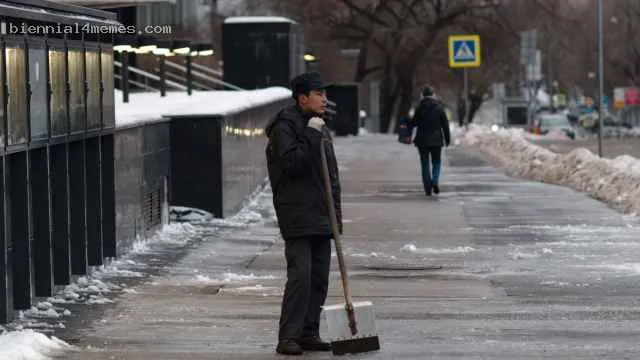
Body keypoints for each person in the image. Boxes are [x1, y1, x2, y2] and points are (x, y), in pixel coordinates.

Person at [265, 71, 343, 356]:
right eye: (319, 93)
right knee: (301, 276)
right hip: (297, 213)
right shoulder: (284, 127)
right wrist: (311, 132)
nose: (324, 99)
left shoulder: (318, 124)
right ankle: (288, 337)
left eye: (324, 93)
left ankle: (309, 332)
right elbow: (292, 165)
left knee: (319, 277)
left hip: (321, 213)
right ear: (302, 98)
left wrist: (335, 215)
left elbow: (329, 174)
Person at [409, 85, 451, 196]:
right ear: (433, 95)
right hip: (436, 139)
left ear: (423, 95)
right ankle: (435, 180)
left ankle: (428, 188)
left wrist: (406, 127)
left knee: (425, 163)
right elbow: (445, 125)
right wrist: (447, 139)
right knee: (436, 161)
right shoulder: (439, 108)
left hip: (422, 140)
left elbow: (413, 123)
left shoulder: (419, 108)